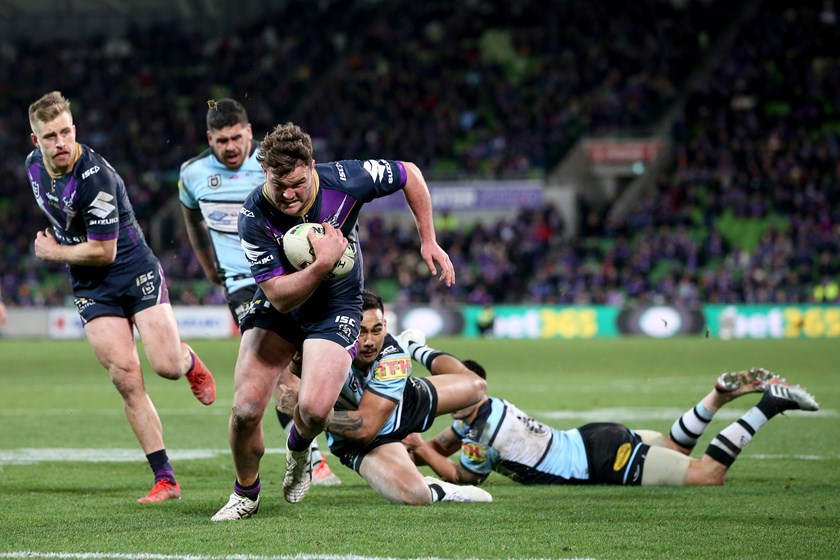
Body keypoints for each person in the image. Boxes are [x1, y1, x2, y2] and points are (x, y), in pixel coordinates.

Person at [212, 122, 455, 519]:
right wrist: (323, 262)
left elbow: (409, 173)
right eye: (278, 185)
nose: (288, 195)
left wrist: (428, 238)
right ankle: (246, 494)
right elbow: (279, 296)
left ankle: (298, 450)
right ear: (264, 173)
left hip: (336, 305)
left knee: (313, 411)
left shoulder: (345, 179)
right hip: (282, 306)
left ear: (312, 167)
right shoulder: (253, 215)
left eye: (297, 184)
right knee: (245, 410)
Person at [25, 91, 218, 503]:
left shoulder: (96, 178)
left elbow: (104, 252)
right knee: (126, 377)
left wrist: (53, 252)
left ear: (74, 129)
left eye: (65, 132)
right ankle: (165, 479)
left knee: (165, 366)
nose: (60, 142)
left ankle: (187, 360)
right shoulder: (32, 168)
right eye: (50, 136)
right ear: (35, 141)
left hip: (132, 272)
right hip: (91, 286)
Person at [400, 337, 820, 487]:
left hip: (601, 460)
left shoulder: (482, 435)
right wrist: (405, 448)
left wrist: (420, 446)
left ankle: (770, 403)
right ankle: (718, 396)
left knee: (708, 475)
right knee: (673, 447)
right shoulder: (482, 413)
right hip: (592, 437)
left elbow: (462, 476)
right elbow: (439, 446)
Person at [214, 290, 490, 518]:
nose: (369, 342)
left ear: (386, 327)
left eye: (377, 330)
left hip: (402, 404)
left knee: (476, 386)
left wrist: (309, 413)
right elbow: (293, 369)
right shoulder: (326, 349)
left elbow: (365, 425)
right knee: (415, 496)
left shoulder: (392, 357)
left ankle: (416, 347)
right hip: (361, 444)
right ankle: (441, 489)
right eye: (360, 332)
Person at [178, 98, 339, 485]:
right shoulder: (192, 174)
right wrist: (208, 265)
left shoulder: (272, 167)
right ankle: (313, 458)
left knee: (308, 366)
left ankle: (334, 430)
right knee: (278, 371)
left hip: (289, 275)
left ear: (249, 132)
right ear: (209, 139)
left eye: (236, 137)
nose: (230, 146)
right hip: (242, 283)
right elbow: (192, 218)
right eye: (221, 140)